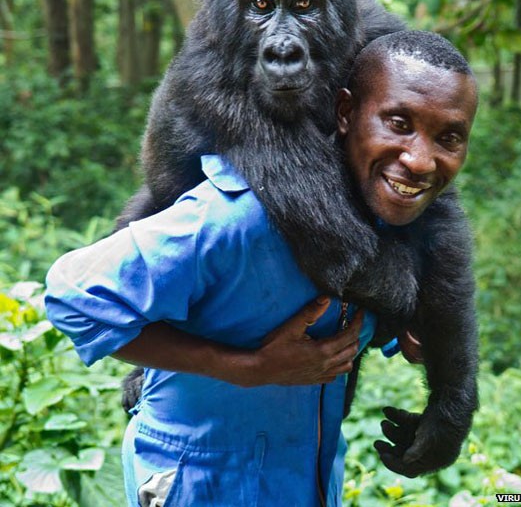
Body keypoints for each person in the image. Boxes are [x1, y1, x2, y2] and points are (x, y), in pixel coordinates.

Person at [45, 30, 477, 506]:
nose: (419, 160)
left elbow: (396, 292)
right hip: (199, 481)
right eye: (398, 123)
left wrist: (411, 331)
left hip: (306, 477)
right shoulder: (238, 217)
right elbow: (74, 297)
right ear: (345, 114)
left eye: (449, 137)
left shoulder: (385, 216)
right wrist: (245, 367)